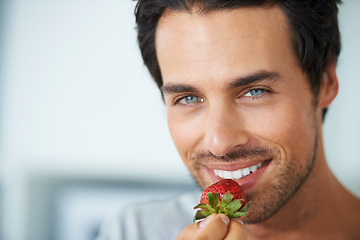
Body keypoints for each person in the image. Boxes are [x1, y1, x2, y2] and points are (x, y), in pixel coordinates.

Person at [96, 0, 360, 239]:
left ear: (325, 81)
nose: (219, 143)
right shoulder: (132, 231)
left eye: (255, 92)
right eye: (188, 98)